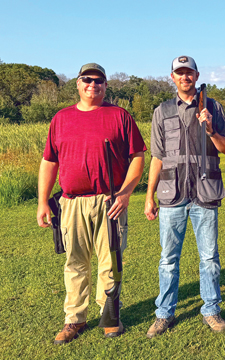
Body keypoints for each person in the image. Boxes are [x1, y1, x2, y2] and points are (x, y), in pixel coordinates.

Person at [37, 63, 146, 344]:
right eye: (87, 79)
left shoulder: (120, 116)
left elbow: (137, 157)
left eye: (99, 81)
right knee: (75, 263)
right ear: (77, 83)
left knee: (111, 262)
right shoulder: (61, 119)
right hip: (71, 202)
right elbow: (49, 162)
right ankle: (74, 319)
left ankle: (110, 316)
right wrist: (42, 202)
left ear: (106, 85)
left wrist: (125, 193)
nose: (93, 85)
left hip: (109, 201)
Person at [144, 56, 225, 337]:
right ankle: (164, 314)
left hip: (204, 195)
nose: (185, 77)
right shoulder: (162, 111)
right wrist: (149, 196)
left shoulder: (213, 107)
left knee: (209, 258)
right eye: (179, 73)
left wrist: (211, 130)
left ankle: (211, 310)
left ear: (196, 75)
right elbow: (157, 158)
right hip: (171, 196)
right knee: (168, 259)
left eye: (189, 73)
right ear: (173, 77)